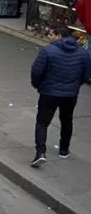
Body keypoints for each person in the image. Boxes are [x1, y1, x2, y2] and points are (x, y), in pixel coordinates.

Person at [30, 25, 91, 168]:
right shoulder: (83, 53)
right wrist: (75, 86)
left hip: (49, 93)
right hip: (70, 94)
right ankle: (64, 149)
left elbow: (36, 72)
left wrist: (39, 86)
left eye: (51, 34)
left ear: (58, 36)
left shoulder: (47, 51)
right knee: (67, 120)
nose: (49, 37)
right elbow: (86, 75)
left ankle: (40, 153)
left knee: (42, 123)